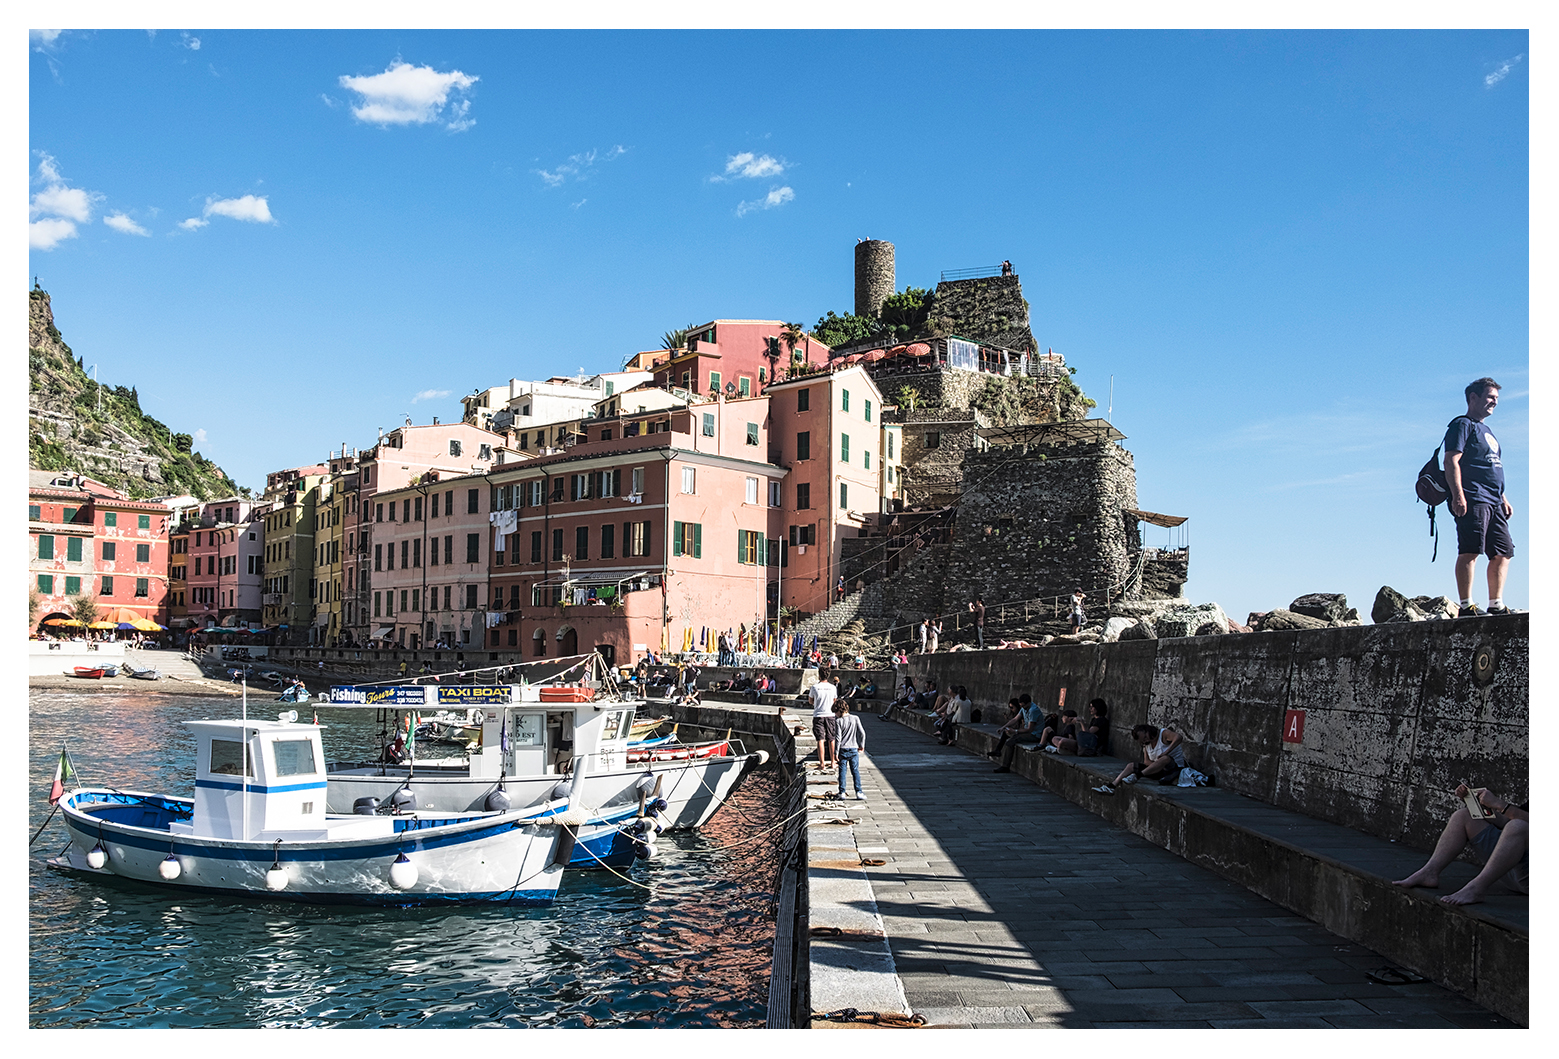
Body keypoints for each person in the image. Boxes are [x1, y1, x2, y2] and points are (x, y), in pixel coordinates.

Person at [1445, 378, 1514, 617]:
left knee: (1503, 552)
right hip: (1473, 497)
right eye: (1490, 397)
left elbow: (1489, 467)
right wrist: (1458, 495)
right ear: (1473, 398)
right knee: (1470, 550)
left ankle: (1496, 604)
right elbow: (1451, 460)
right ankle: (1466, 606)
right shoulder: (1462, 425)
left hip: (1494, 500)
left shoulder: (1487, 430)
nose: (1494, 402)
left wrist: (1502, 497)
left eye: (1496, 398)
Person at [1392, 784, 1528, 905]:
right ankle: (1429, 872)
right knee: (1464, 816)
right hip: (1513, 870)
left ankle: (1476, 889)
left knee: (1517, 826)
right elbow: (1509, 820)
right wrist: (1477, 804)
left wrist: (1501, 805)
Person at [1095, 725, 1185, 793]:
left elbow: (1179, 737)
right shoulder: (1146, 744)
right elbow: (1146, 761)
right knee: (1131, 766)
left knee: (1165, 758)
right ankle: (1112, 786)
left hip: (1174, 768)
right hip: (1159, 770)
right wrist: (1156, 765)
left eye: (1145, 737)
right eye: (1143, 740)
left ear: (1148, 730)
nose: (1146, 740)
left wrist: (1166, 752)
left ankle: (1137, 776)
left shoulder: (1163, 734)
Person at [993, 694, 1044, 772]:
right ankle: (997, 750)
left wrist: (1015, 731)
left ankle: (1005, 767)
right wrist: (1003, 727)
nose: (1023, 708)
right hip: (1027, 732)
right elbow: (1015, 719)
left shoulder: (1033, 710)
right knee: (1006, 734)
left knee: (1010, 742)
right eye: (1021, 706)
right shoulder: (1024, 708)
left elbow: (1030, 729)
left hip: (1034, 735)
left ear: (1028, 703)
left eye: (1024, 706)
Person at [833, 701, 867, 800]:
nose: (835, 715)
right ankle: (859, 792)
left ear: (839, 711)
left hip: (843, 749)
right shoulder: (855, 718)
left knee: (842, 771)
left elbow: (838, 738)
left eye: (835, 712)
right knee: (855, 771)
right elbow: (862, 733)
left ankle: (842, 792)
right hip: (853, 748)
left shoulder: (838, 721)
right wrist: (862, 745)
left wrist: (836, 752)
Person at [809, 672, 838, 769]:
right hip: (830, 715)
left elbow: (810, 700)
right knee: (831, 739)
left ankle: (822, 764)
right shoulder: (833, 687)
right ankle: (833, 762)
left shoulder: (814, 687)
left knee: (820, 739)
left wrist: (817, 704)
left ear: (819, 675)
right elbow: (835, 701)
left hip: (818, 715)